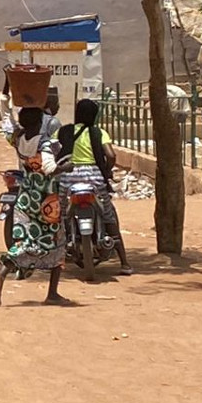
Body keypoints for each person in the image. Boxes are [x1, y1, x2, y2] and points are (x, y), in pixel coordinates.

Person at [0, 107, 67, 306]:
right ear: (41, 123)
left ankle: (2, 273)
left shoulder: (19, 140)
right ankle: (52, 293)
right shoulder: (45, 143)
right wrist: (68, 166)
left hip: (26, 195)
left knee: (26, 240)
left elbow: (6, 121)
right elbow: (49, 168)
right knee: (57, 241)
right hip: (46, 198)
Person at [57, 99, 134, 275]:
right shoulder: (99, 132)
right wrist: (106, 171)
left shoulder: (63, 131)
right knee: (108, 216)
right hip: (94, 177)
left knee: (60, 216)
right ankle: (124, 262)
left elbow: (54, 150)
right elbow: (111, 155)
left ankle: (56, 257)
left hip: (68, 176)